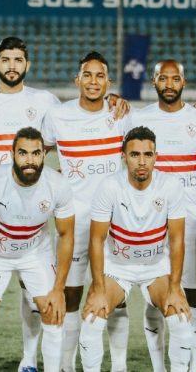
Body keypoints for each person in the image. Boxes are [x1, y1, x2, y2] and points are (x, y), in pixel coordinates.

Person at [40, 51, 133, 372]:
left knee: (116, 293)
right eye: (88, 75)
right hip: (74, 219)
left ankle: (118, 365)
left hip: (116, 219)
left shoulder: (121, 114)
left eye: (100, 76)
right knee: (71, 293)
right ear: (77, 80)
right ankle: (66, 365)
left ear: (108, 82)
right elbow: (37, 152)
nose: (94, 81)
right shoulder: (57, 116)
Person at [129, 60, 196, 371]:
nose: (169, 84)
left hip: (192, 222)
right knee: (155, 297)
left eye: (175, 78)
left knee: (194, 297)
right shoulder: (138, 118)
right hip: (149, 222)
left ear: (184, 82)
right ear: (153, 81)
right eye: (163, 78)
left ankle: (193, 368)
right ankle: (159, 367)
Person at [78, 126, 192, 372]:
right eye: (134, 154)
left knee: (181, 320)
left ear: (155, 157)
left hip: (156, 267)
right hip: (117, 267)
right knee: (92, 319)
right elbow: (96, 240)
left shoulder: (170, 186)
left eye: (147, 155)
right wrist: (98, 289)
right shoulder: (109, 186)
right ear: (123, 156)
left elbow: (177, 240)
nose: (141, 162)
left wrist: (174, 288)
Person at [0, 127, 75, 372]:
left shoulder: (57, 185)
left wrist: (58, 289)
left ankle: (37, 365)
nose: (30, 160)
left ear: (44, 155)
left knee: (53, 313)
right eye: (23, 153)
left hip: (35, 254)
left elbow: (66, 235)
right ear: (12, 154)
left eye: (36, 153)